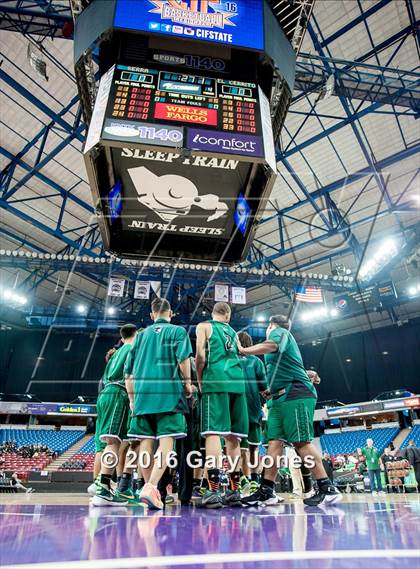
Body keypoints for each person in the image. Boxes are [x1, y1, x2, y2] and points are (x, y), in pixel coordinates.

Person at [238, 314, 342, 507]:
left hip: (295, 394)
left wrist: (244, 350)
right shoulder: (280, 347)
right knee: (274, 443)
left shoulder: (280, 332)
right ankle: (267, 490)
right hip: (279, 397)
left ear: (271, 325)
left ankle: (327, 488)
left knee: (300, 442)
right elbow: (285, 366)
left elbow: (273, 345)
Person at [126, 298, 192, 510]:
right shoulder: (178, 332)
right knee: (166, 443)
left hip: (143, 396)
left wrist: (132, 399)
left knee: (145, 444)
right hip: (169, 395)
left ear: (152, 315)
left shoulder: (140, 336)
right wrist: (188, 384)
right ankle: (151, 486)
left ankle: (148, 488)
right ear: (170, 313)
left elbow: (128, 373)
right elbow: (183, 360)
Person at [195, 302, 248, 508]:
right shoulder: (234, 332)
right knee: (233, 438)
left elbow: (200, 356)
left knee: (213, 434)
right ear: (227, 315)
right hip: (237, 383)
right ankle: (234, 491)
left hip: (215, 381)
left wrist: (200, 379)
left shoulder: (204, 326)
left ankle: (213, 490)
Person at [91, 324, 137, 507]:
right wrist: (133, 400)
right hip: (118, 393)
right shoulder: (132, 349)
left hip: (105, 394)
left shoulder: (115, 352)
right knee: (113, 443)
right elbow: (130, 376)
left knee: (111, 443)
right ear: (136, 334)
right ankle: (103, 488)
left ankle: (102, 485)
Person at [237, 331, 268, 495]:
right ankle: (255, 480)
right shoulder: (256, 361)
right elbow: (264, 387)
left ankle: (243, 479)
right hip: (254, 410)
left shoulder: (231, 360)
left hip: (236, 410)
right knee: (254, 449)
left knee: (238, 449)